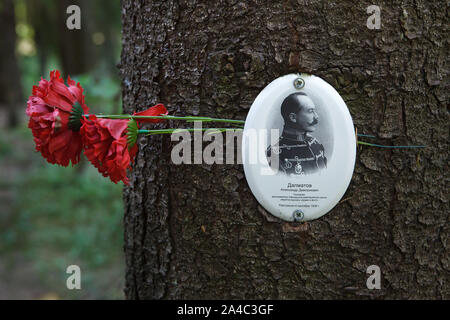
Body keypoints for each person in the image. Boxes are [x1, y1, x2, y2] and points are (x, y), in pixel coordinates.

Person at [267, 92, 327, 175]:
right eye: (310, 111)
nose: (316, 116)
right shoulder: (273, 153)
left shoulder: (315, 144)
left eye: (314, 111)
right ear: (293, 117)